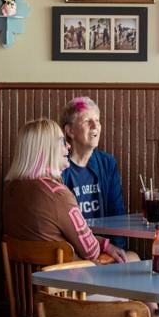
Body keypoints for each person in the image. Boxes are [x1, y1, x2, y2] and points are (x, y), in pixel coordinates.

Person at [2, 118, 132, 263]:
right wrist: (104, 244)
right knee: (133, 258)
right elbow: (91, 250)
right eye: (63, 142)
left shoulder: (11, 189)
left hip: (27, 282)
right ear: (48, 149)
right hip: (65, 282)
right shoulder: (58, 194)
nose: (68, 146)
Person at [59, 97, 127, 249]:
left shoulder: (107, 163)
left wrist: (118, 252)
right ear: (69, 130)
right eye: (86, 120)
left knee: (132, 259)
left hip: (105, 248)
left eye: (97, 120)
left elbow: (117, 215)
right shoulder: (59, 166)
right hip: (73, 251)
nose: (95, 125)